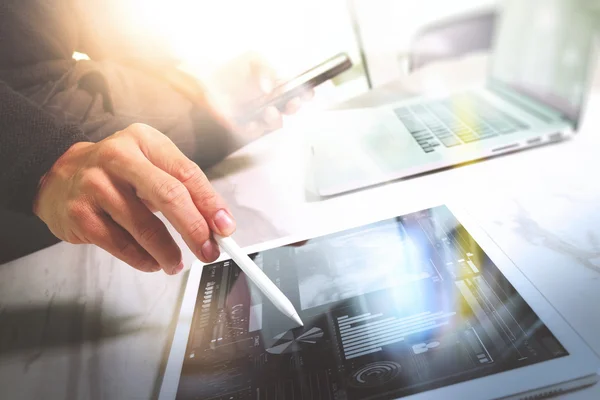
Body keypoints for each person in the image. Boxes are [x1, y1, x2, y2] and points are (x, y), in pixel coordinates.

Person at [0, 1, 308, 273]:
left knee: (231, 119)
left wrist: (190, 76)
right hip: (30, 113)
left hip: (57, 80)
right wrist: (43, 157)